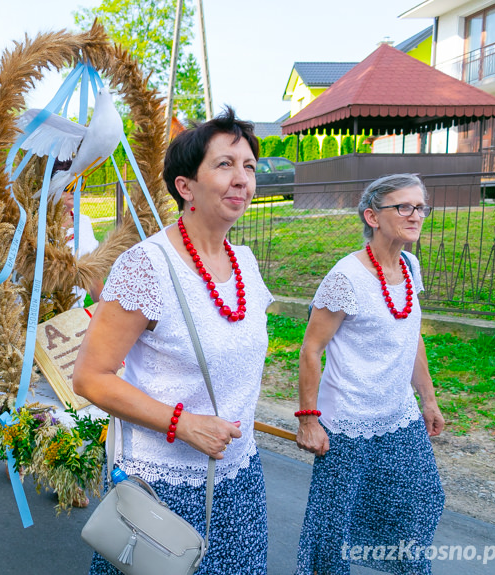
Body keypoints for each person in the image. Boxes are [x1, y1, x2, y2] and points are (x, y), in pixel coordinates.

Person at [73, 109, 271, 574]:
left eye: (249, 167)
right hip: (164, 484)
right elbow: (90, 378)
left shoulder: (246, 263)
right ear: (185, 186)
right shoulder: (147, 266)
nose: (242, 178)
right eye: (225, 165)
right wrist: (183, 424)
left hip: (238, 474)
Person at [295, 174, 445, 574]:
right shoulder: (346, 278)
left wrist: (427, 399)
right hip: (349, 421)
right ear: (372, 216)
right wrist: (308, 420)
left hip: (398, 415)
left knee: (423, 499)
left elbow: (411, 336)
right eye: (404, 207)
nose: (416, 215)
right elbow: (311, 349)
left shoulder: (411, 266)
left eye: (421, 206)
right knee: (333, 526)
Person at [61, 186, 102, 307]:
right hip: (38, 318)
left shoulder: (83, 222)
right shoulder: (33, 224)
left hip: (74, 315)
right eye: (66, 186)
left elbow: (93, 273)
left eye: (76, 185)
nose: (73, 190)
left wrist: (103, 311)